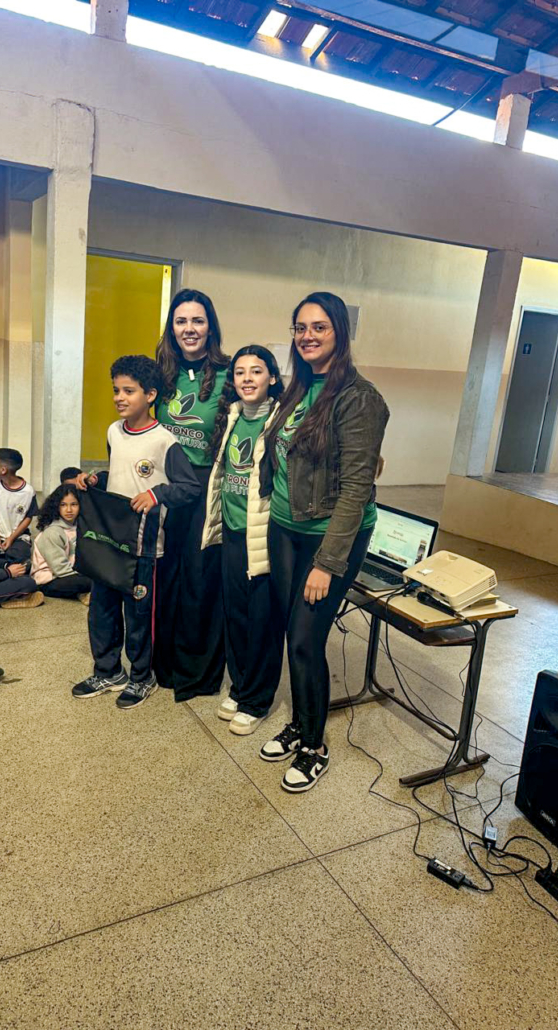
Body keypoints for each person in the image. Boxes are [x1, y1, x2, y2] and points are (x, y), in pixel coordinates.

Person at [260, 292, 389, 793]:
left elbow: (357, 488)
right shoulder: (298, 387)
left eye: (319, 327)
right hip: (286, 527)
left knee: (305, 639)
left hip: (329, 537)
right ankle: (299, 724)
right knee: (292, 632)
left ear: (339, 332)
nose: (307, 336)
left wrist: (327, 563)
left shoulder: (359, 399)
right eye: (300, 327)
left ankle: (314, 746)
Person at [73, 355, 199, 708]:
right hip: (109, 540)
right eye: (116, 390)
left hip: (143, 546)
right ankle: (107, 670)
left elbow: (189, 487)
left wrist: (156, 494)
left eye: (129, 391)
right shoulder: (114, 431)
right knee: (101, 610)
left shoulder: (164, 441)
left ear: (151, 395)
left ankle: (142, 676)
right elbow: (120, 471)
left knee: (139, 616)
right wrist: (95, 479)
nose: (119, 397)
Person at [201, 346, 285, 735]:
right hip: (233, 532)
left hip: (263, 536)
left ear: (272, 377)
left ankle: (257, 700)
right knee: (235, 615)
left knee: (262, 622)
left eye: (256, 371)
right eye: (239, 372)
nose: (247, 378)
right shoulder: (232, 417)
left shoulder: (281, 419)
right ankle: (239, 687)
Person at [154, 289, 230, 702]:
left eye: (197, 321)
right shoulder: (159, 373)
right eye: (181, 321)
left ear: (210, 327)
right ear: (171, 328)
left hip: (205, 486)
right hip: (165, 484)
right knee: (165, 573)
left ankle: (197, 671)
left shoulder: (229, 373)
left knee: (200, 576)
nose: (189, 329)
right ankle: (162, 664)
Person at [31, 485, 92, 603]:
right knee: (92, 582)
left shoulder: (79, 527)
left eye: (74, 504)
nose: (69, 510)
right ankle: (84, 592)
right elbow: (60, 569)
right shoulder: (52, 532)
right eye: (63, 505)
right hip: (49, 580)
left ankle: (83, 593)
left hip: (72, 574)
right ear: (56, 507)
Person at [0, 448, 38, 562]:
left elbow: (28, 517)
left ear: (3, 470)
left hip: (18, 536)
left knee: (19, 555)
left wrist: (11, 538)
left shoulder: (28, 492)